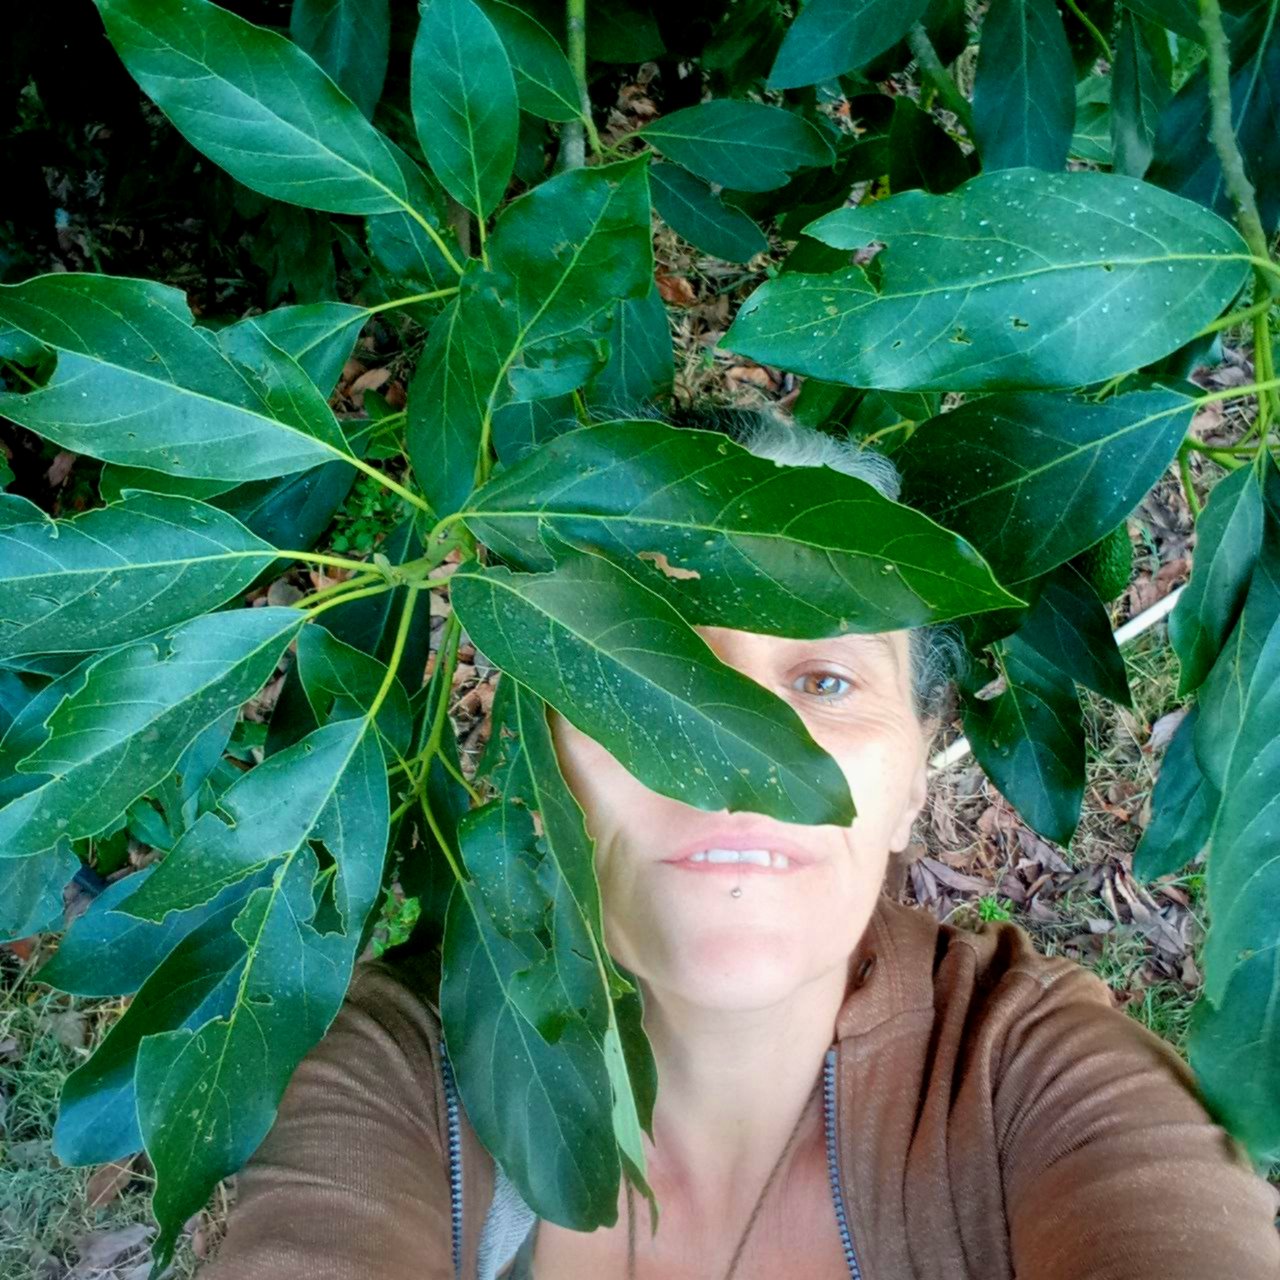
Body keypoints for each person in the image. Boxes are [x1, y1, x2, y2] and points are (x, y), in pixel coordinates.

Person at [198, 414, 1280, 1280]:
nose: (736, 755)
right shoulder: (399, 1071)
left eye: (825, 681)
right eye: (655, 663)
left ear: (912, 777)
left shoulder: (1022, 1080)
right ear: (536, 752)